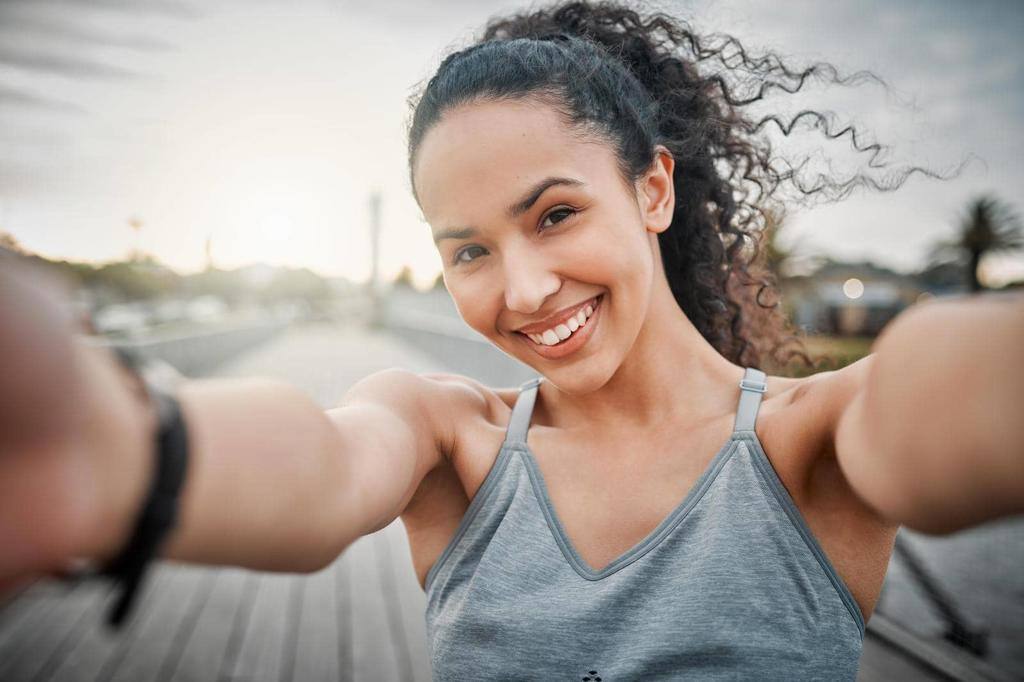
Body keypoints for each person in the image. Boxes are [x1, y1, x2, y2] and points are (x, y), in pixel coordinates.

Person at [1, 1, 1022, 679]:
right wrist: (111, 445)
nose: (523, 289)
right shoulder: (448, 438)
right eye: (467, 251)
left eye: (554, 215)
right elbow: (321, 465)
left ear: (652, 189)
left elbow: (927, 392)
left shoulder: (812, 447)